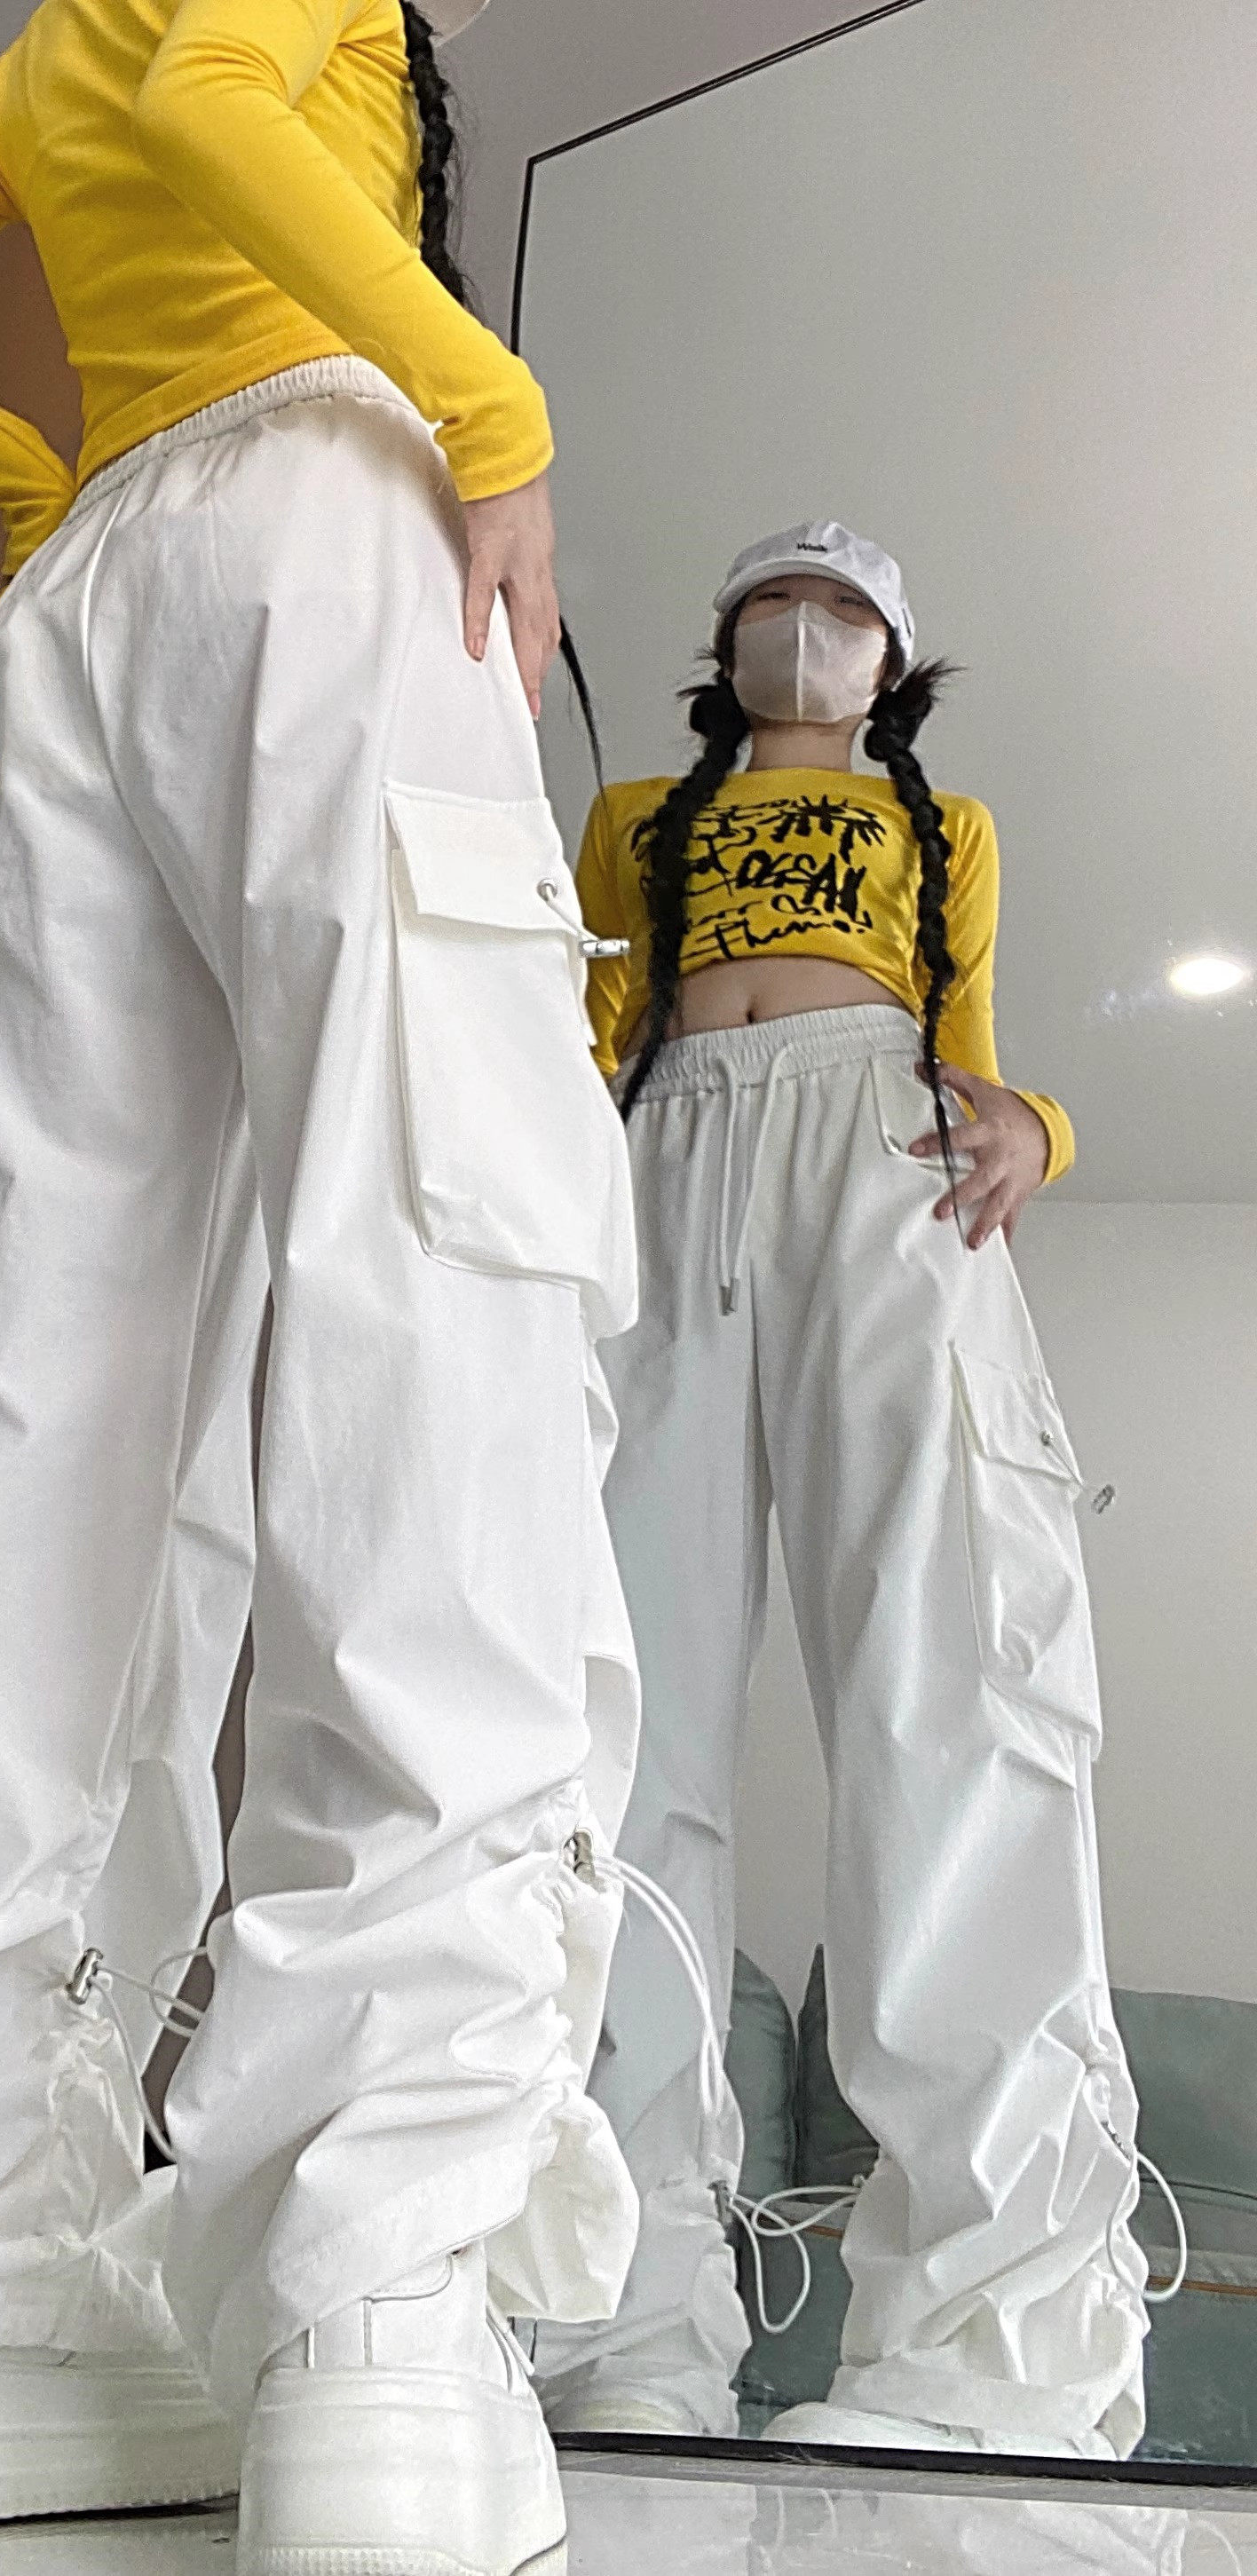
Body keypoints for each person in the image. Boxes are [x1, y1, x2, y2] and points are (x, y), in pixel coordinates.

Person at [0, 3, 646, 2564]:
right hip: (329, 507)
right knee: (434, 1303)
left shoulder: (32, 57)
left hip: (87, 598)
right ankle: (375, 2293)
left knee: (29, 1405)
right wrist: (487, 400)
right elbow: (228, 105)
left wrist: (30, 469)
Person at [532, 524, 1149, 2461]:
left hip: (883, 1153)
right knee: (610, 1727)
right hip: (654, 1161)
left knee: (943, 1696)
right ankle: (615, 2315)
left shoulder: (942, 824)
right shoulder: (637, 817)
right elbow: (575, 1027)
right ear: (723, 642)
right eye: (772, 601)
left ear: (893, 657)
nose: (805, 626)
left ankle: (989, 2351)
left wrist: (1044, 1126)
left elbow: (973, 1047)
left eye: (845, 606)